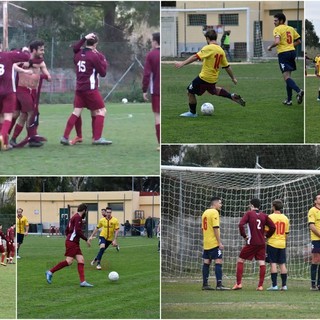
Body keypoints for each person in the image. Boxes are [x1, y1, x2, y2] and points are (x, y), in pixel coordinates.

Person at [174, 29, 245, 118]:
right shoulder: (220, 50)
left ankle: (192, 112)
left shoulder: (208, 48)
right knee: (212, 90)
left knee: (190, 91)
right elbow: (227, 66)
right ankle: (231, 96)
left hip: (204, 77)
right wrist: (233, 78)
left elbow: (195, 57)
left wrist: (182, 63)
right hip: (213, 78)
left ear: (207, 38)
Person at [60, 32, 112, 146]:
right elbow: (103, 73)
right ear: (96, 44)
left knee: (77, 112)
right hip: (90, 89)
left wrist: (83, 38)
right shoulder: (95, 56)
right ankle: (97, 138)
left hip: (79, 88)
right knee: (102, 111)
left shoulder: (78, 53)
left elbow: (75, 48)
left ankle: (65, 136)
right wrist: (102, 58)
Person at [10, 40, 51, 148]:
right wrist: (24, 71)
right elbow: (13, 66)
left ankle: (14, 139)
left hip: (33, 91)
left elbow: (48, 75)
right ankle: (32, 137)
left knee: (23, 115)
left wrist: (46, 76)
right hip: (22, 90)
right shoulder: (24, 59)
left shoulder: (41, 62)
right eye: (41, 50)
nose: (43, 52)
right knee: (32, 113)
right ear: (34, 50)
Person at [232, 198, 276, 291]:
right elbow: (273, 227)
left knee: (240, 260)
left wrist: (244, 236)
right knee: (261, 262)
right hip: (261, 243)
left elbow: (241, 224)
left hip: (251, 242)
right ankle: (260, 286)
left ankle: (239, 283)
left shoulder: (248, 214)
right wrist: (266, 236)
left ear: (251, 205)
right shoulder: (264, 215)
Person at [45, 203, 93, 287]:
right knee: (69, 261)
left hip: (72, 242)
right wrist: (86, 239)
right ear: (84, 210)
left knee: (81, 260)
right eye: (86, 211)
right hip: (72, 242)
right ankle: (50, 272)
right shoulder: (78, 217)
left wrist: (69, 237)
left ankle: (83, 282)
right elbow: (78, 231)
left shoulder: (73, 217)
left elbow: (67, 229)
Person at [267, 13, 303, 106]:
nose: (274, 22)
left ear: (281, 21)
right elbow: (299, 41)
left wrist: (270, 47)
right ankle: (289, 100)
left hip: (284, 54)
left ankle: (299, 91)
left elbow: (277, 42)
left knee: (286, 77)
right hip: (292, 53)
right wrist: (290, 45)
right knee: (288, 77)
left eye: (276, 20)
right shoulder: (291, 28)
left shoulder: (277, 29)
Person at [0, 46, 30, 150]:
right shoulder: (9, 55)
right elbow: (27, 57)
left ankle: (5, 144)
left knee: (1, 117)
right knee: (8, 116)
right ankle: (2, 137)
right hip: (9, 91)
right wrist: (25, 50)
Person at [201, 197, 229, 290]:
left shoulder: (205, 212)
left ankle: (205, 284)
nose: (221, 205)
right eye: (220, 203)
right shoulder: (214, 212)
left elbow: (202, 228)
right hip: (213, 242)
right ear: (215, 203)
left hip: (206, 242)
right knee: (218, 261)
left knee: (206, 262)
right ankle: (219, 285)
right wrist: (219, 242)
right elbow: (215, 227)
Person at [266, 199, 290, 291]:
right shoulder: (285, 218)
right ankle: (284, 285)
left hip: (272, 243)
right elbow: (286, 233)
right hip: (282, 243)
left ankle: (274, 285)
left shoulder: (270, 217)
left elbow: (267, 230)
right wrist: (285, 243)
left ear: (273, 207)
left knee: (273, 263)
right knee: (282, 264)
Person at [142, 32, 160, 151]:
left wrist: (144, 90)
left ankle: (160, 144)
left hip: (156, 91)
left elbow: (147, 74)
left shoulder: (151, 55)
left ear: (154, 41)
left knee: (158, 116)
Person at [307, 193, 320, 290]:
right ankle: (313, 284)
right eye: (319, 198)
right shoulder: (312, 210)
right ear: (315, 201)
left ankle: (319, 284)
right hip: (316, 239)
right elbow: (311, 226)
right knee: (315, 260)